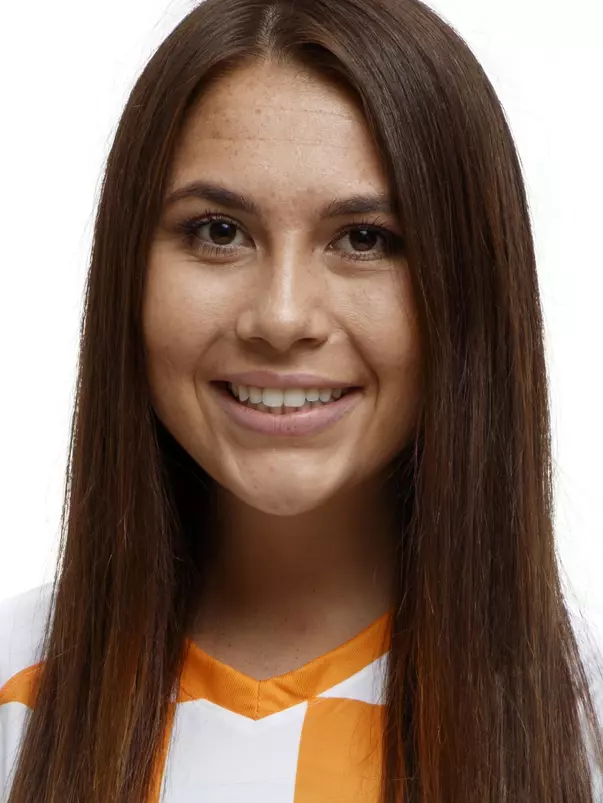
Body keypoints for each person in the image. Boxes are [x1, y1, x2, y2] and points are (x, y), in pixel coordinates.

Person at [1, 0, 602, 801]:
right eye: (218, 231)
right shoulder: (16, 696)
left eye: (364, 239)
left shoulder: (581, 720)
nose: (281, 317)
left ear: (469, 290)